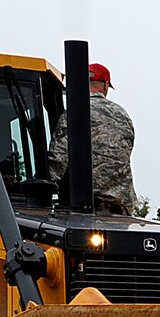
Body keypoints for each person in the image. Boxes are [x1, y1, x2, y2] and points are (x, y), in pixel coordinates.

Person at [49, 62, 138, 216]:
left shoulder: (74, 112)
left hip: (86, 205)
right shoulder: (123, 115)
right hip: (121, 207)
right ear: (105, 85)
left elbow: (58, 160)